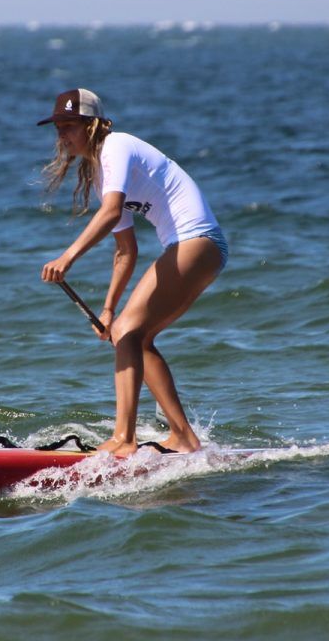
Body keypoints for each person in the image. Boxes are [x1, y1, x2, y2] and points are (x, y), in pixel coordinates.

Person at [38, 88, 228, 456]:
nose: (61, 135)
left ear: (91, 126)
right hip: (193, 247)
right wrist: (107, 310)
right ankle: (184, 438)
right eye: (58, 127)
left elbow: (110, 214)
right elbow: (126, 250)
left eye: (69, 126)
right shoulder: (100, 175)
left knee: (129, 331)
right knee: (130, 335)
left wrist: (68, 257)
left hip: (198, 241)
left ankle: (124, 440)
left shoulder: (117, 146)